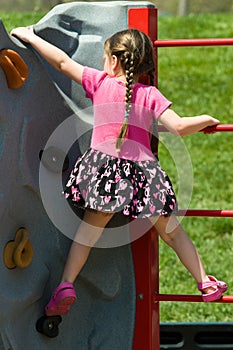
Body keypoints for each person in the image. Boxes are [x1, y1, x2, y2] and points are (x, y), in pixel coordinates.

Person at [11, 26, 227, 316]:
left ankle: (66, 284)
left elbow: (62, 62)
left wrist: (31, 37)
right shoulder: (149, 94)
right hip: (143, 174)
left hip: (105, 171)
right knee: (173, 234)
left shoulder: (100, 82)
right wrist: (206, 119)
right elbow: (178, 127)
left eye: (104, 57)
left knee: (87, 234)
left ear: (113, 60)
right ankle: (205, 283)